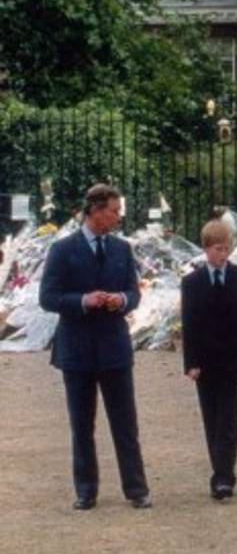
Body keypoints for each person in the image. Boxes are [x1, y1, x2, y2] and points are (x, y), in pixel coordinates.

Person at [38, 184, 150, 510]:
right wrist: (83, 301)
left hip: (115, 348)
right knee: (82, 425)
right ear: (95, 211)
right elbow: (47, 298)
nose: (117, 217)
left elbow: (135, 292)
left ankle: (136, 489)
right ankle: (86, 490)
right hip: (77, 350)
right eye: (113, 211)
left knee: (125, 423)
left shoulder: (122, 249)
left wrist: (123, 300)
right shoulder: (62, 250)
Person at [181, 219, 237, 500]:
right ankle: (219, 467)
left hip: (233, 358)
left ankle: (224, 475)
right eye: (218, 249)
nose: (223, 254)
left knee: (229, 417)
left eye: (227, 248)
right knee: (211, 417)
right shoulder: (192, 282)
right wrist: (190, 362)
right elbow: (188, 324)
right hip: (204, 360)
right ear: (206, 249)